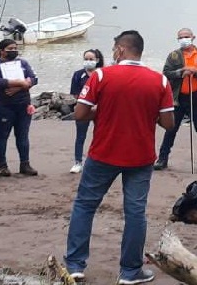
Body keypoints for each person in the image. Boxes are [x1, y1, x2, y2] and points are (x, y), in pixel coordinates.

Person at [64, 30, 174, 284]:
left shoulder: (102, 75)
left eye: (114, 49)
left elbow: (80, 114)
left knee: (85, 205)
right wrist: (148, 114)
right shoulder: (159, 80)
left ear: (121, 50)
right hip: (141, 155)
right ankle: (130, 270)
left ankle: (75, 264)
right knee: (135, 212)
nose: (112, 53)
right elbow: (167, 122)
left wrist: (101, 111)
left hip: (104, 152)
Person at [0, 39, 39, 176]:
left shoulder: (23, 63)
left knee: (23, 135)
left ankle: (25, 164)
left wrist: (18, 87)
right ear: (2, 51)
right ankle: (2, 166)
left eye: (15, 48)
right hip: (4, 106)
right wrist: (21, 83)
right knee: (2, 135)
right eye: (10, 48)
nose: (14, 50)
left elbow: (33, 78)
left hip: (23, 104)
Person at [155, 28, 197, 170]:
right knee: (171, 129)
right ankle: (162, 159)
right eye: (181, 37)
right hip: (178, 97)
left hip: (195, 96)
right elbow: (166, 73)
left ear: (193, 37)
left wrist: (195, 72)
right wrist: (181, 72)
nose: (184, 39)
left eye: (186, 36)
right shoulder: (174, 55)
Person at [69, 49, 104, 174]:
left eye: (91, 59)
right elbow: (75, 93)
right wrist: (85, 105)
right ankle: (78, 162)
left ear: (97, 60)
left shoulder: (102, 74)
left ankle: (99, 161)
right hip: (83, 108)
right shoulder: (78, 75)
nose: (88, 62)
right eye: (86, 59)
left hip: (100, 109)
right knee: (80, 136)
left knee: (100, 135)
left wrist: (97, 105)